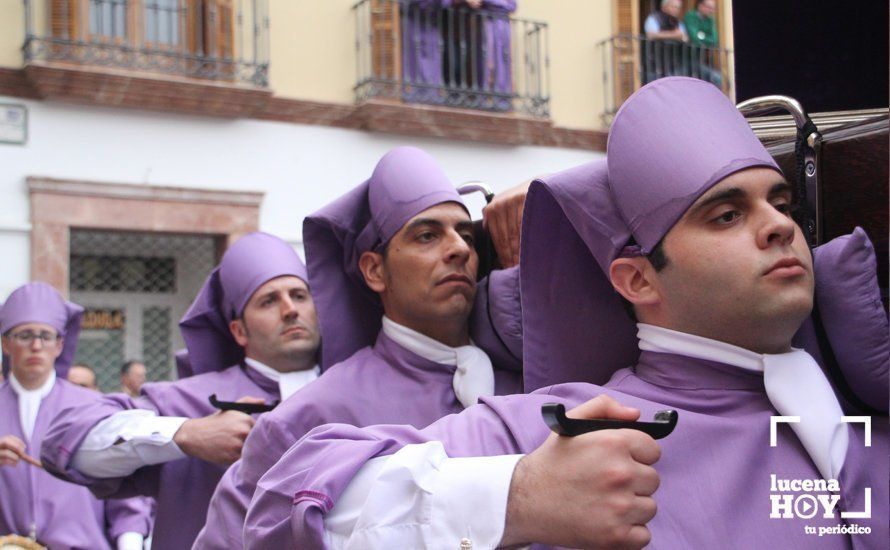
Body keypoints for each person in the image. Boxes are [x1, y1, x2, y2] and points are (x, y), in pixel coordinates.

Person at [245, 78, 887, 549]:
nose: (778, 226)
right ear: (636, 278)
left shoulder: (866, 424)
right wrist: (516, 496)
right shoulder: (565, 432)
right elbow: (272, 510)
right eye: (726, 214)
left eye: (782, 204)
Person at [196, 146, 523, 548]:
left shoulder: (531, 382)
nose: (458, 249)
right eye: (426, 235)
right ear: (374, 270)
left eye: (466, 234)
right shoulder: (303, 420)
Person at [41, 232, 322, 549]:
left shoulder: (358, 385)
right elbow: (67, 444)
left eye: (299, 295)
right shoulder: (186, 401)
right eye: (268, 301)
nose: (290, 310)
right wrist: (187, 433)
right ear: (239, 330)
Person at [0, 282, 152, 549]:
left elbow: (127, 497)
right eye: (24, 335)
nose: (36, 345)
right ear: (6, 343)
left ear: (59, 344)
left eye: (45, 336)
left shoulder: (93, 407)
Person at [683, 0, 722, 86]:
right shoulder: (691, 16)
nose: (711, 11)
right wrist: (703, 38)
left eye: (713, 9)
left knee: (718, 79)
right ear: (700, 6)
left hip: (702, 60)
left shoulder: (710, 20)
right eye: (709, 8)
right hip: (687, 59)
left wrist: (701, 36)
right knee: (716, 78)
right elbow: (694, 38)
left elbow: (714, 40)